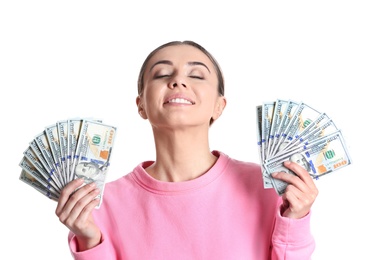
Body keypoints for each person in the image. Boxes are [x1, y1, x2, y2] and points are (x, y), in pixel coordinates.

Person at [56, 40, 318, 259]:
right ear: (141, 105)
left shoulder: (270, 186)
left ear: (219, 106)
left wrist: (296, 217)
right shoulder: (101, 204)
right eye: (161, 74)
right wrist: (89, 240)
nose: (179, 81)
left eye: (196, 75)